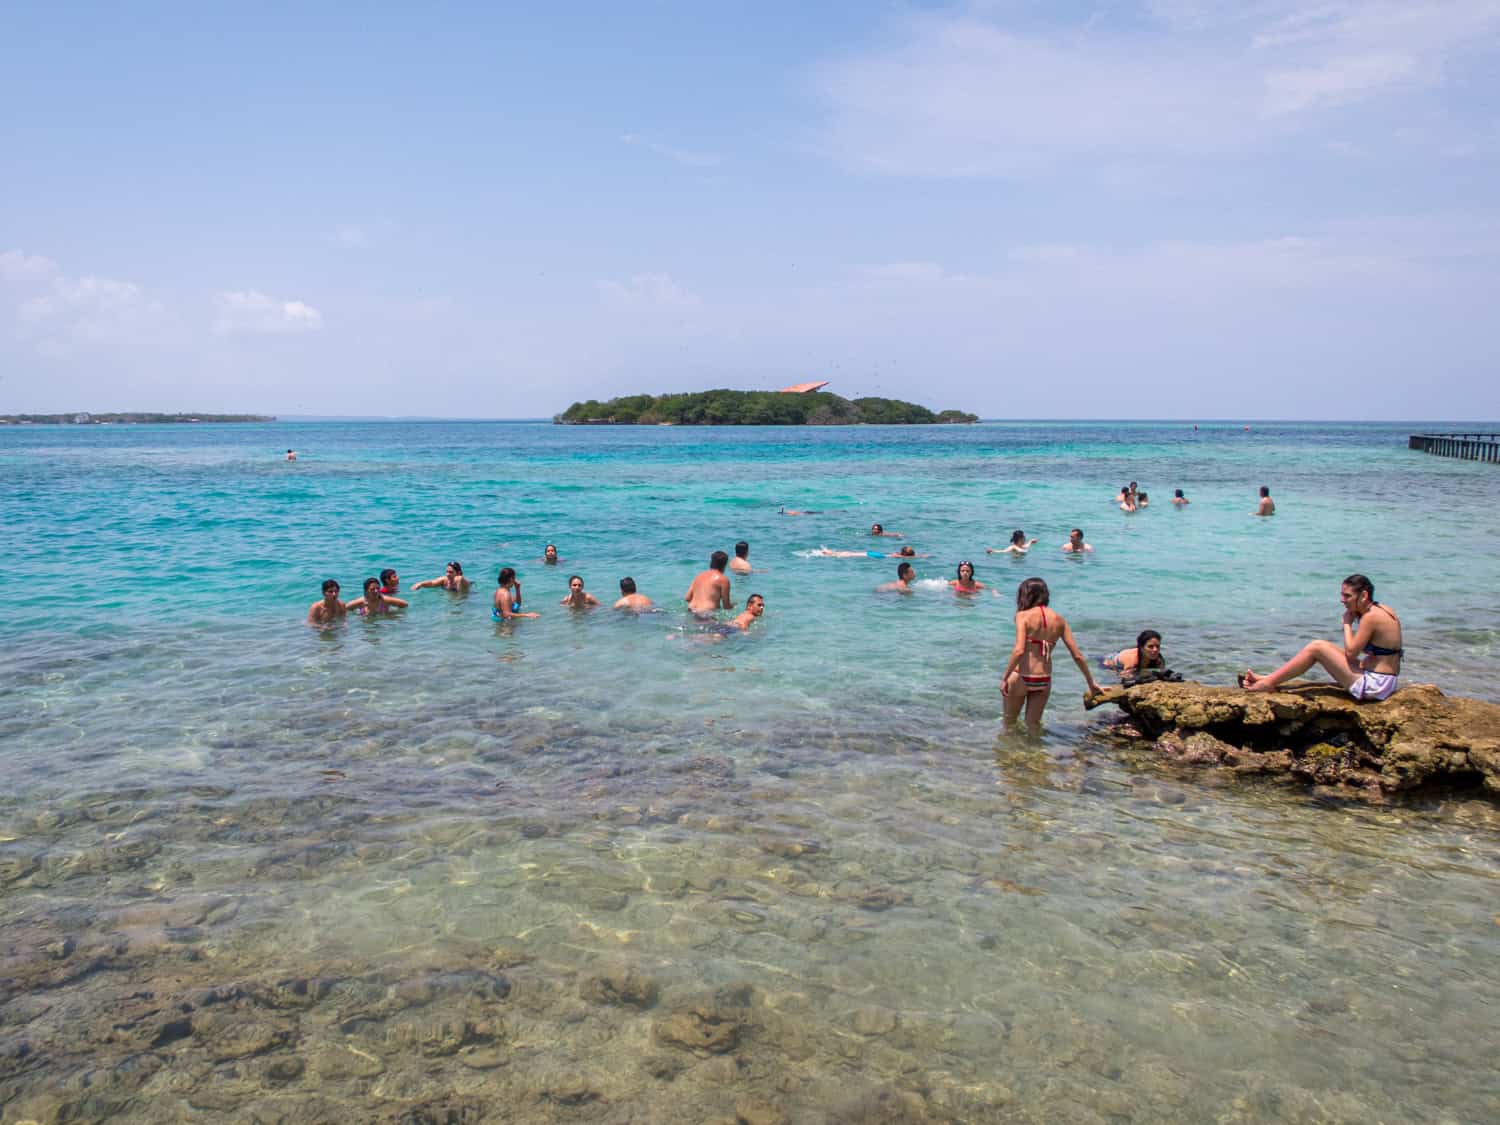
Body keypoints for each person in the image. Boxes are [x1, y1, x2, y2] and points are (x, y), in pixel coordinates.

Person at [1242, 574, 1402, 700]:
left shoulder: (1370, 617)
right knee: (1324, 645)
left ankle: (1268, 683)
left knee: (1317, 647)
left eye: (1347, 596)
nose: (1342, 600)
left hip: (1374, 686)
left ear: (1364, 595)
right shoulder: (1383, 609)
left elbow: (1352, 653)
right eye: (1342, 595)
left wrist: (1347, 623)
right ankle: (1268, 678)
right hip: (1384, 682)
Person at [1000, 577, 1102, 736]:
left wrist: (1005, 677)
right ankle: (1036, 756)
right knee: (1033, 725)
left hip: (1021, 676)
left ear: (1026, 595)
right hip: (1043, 679)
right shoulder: (1060, 620)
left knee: (1009, 723)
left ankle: (1011, 758)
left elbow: (1019, 650)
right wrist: (1091, 682)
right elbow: (1077, 655)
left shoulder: (1022, 616)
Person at [810, 545, 927, 559]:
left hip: (876, 554)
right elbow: (913, 557)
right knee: (849, 554)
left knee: (849, 553)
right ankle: (829, 553)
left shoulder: (899, 554)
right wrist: (923, 556)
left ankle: (830, 552)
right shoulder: (901, 556)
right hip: (877, 556)